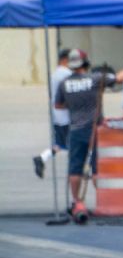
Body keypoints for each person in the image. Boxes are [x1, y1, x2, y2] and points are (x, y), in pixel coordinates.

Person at [55, 50, 123, 216]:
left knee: (75, 168)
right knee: (97, 169)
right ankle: (104, 202)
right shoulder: (95, 79)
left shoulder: (64, 83)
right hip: (96, 130)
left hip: (76, 130)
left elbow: (58, 105)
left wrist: (74, 107)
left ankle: (76, 201)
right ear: (85, 62)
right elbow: (119, 78)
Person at [33, 49, 74, 179]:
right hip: (67, 116)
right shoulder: (67, 74)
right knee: (78, 142)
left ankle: (42, 157)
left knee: (59, 144)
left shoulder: (54, 74)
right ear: (65, 60)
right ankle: (83, 169)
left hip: (56, 116)